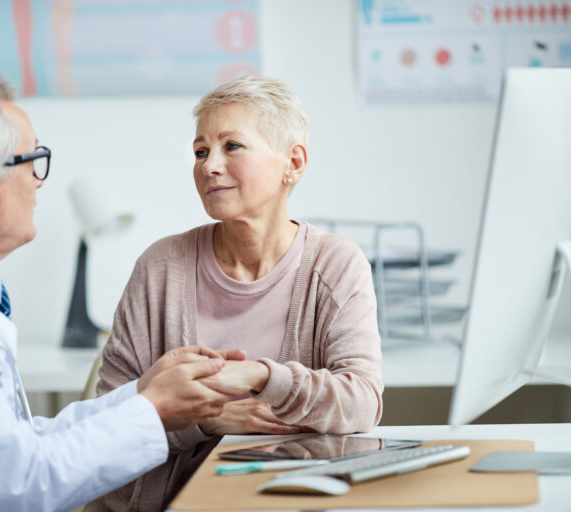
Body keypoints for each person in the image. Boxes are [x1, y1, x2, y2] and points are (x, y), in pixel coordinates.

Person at [0, 66, 247, 512]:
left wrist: (142, 393)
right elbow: (20, 481)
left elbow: (19, 443)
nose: (39, 181)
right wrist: (155, 410)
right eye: (32, 160)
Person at [86, 76, 384, 512]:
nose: (209, 165)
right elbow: (104, 427)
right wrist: (204, 422)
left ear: (293, 163)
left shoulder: (335, 264)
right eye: (201, 152)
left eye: (232, 147)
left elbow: (361, 403)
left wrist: (262, 377)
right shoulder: (161, 268)